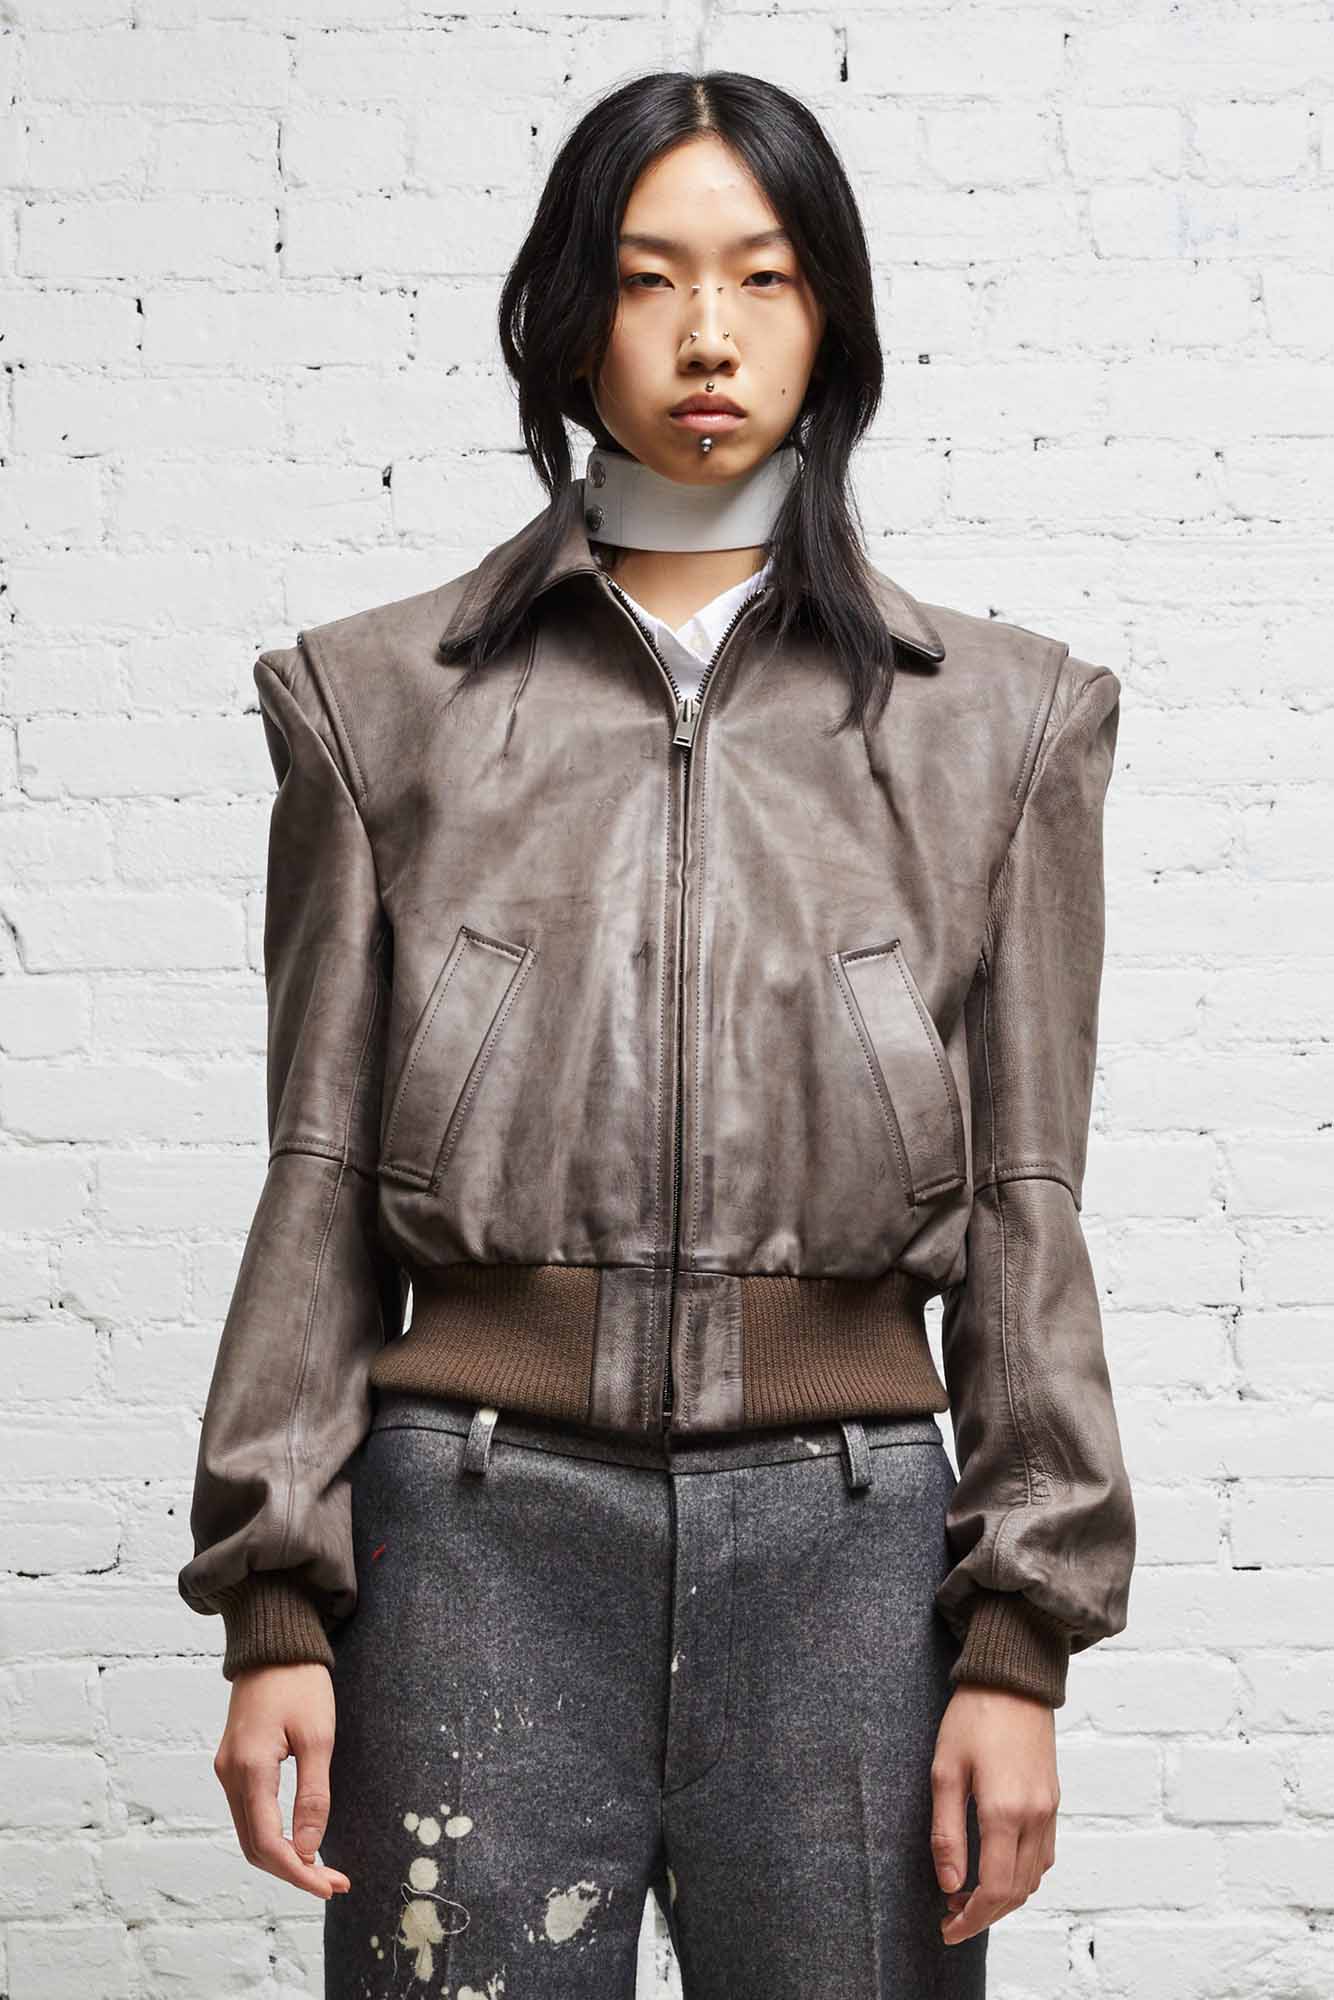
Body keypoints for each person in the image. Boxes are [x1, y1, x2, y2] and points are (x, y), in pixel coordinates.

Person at [178, 69, 1136, 2000]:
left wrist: (1018, 1641)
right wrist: (274, 1599)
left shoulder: (1001, 724)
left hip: (851, 1554)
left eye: (763, 277)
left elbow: (1027, 1201)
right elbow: (318, 1174)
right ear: (567, 318)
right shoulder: (379, 706)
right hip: (468, 1539)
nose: (709, 335)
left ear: (829, 316)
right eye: (647, 278)